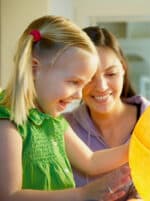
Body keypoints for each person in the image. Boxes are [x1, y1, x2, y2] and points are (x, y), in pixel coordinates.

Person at [0, 15, 131, 201]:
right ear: (34, 68)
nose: (79, 95)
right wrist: (83, 194)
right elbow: (8, 196)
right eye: (74, 82)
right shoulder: (8, 124)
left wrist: (131, 149)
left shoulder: (55, 123)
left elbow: (91, 161)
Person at [63, 27, 150, 201]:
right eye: (89, 77)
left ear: (123, 69)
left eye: (110, 73)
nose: (101, 86)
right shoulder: (63, 128)